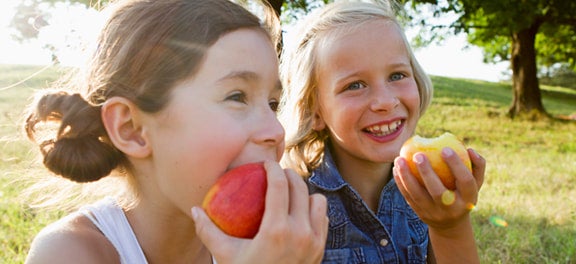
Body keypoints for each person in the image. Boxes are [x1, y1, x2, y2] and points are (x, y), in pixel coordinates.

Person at [23, 0, 329, 263]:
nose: (275, 131)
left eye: (273, 103)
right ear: (132, 129)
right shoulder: (70, 253)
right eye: (237, 97)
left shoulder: (268, 245)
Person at [278, 0, 486, 263]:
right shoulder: (292, 206)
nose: (386, 101)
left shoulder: (427, 189)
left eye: (397, 76)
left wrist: (451, 226)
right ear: (315, 111)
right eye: (355, 85)